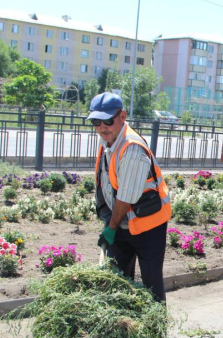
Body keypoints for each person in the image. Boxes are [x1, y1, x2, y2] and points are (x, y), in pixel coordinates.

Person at [87, 92, 172, 302]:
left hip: (148, 226)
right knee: (120, 283)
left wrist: (111, 228)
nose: (102, 127)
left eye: (107, 120)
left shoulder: (132, 149)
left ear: (122, 116)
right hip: (121, 222)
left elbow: (125, 198)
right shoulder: (107, 141)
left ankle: (154, 331)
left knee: (151, 286)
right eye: (96, 122)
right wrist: (110, 222)